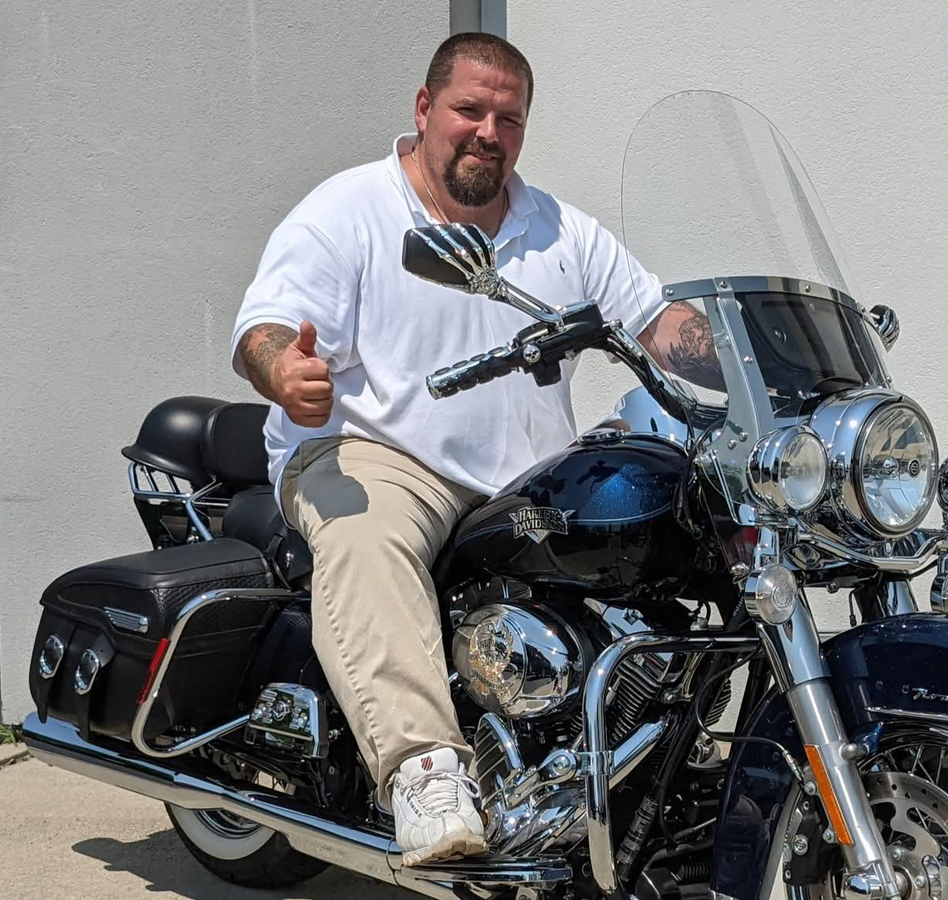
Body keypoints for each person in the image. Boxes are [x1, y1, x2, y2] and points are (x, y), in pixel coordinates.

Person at [231, 32, 718, 866]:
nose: (488, 132)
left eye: (509, 118)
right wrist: (284, 370)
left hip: (521, 475)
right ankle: (425, 772)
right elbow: (265, 328)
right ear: (425, 109)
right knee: (365, 528)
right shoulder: (349, 211)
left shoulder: (559, 229)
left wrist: (744, 352)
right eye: (469, 110)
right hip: (380, 452)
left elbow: (655, 319)